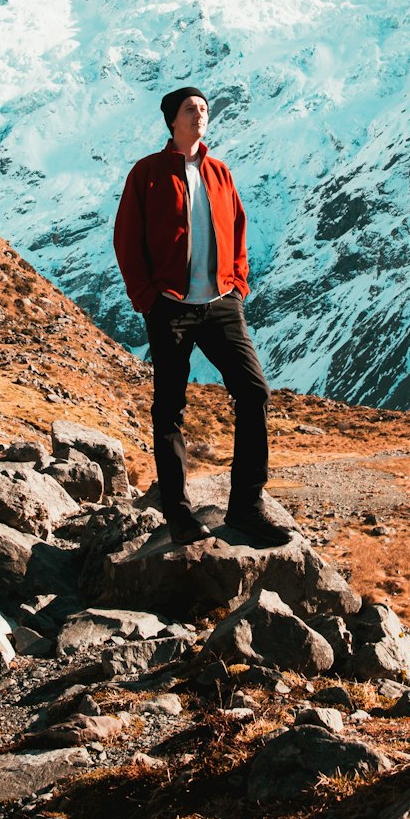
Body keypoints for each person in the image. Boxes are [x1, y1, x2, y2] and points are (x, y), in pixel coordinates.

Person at [113, 85, 291, 548]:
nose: (201, 115)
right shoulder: (147, 173)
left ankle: (246, 507)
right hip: (169, 305)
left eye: (205, 109)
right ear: (172, 120)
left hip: (221, 304)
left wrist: (238, 280)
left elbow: (238, 226)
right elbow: (126, 239)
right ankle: (178, 514)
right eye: (192, 109)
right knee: (169, 408)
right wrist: (146, 297)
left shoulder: (219, 172)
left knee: (254, 392)